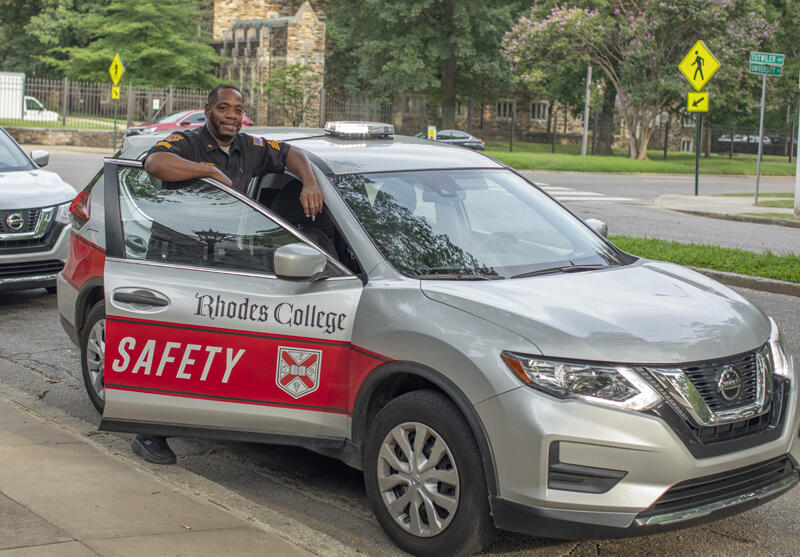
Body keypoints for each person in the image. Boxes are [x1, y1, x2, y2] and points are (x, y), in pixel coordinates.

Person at [132, 84, 324, 465]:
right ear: (208, 110)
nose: (232, 116)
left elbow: (293, 154)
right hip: (177, 256)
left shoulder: (249, 148)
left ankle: (213, 416)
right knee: (171, 347)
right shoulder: (186, 142)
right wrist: (205, 171)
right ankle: (148, 432)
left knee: (214, 347)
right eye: (224, 108)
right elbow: (155, 164)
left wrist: (310, 180)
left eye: (238, 109)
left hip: (222, 259)